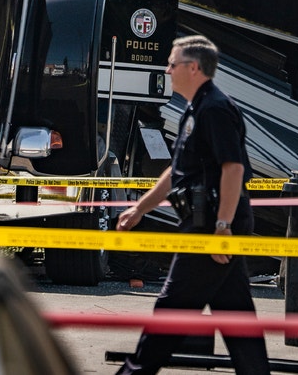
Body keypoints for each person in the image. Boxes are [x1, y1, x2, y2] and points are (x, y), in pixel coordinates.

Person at [114, 35, 270, 375]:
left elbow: (234, 168)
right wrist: (139, 208)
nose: (167, 70)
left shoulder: (214, 109)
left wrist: (223, 227)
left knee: (170, 311)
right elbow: (177, 172)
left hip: (211, 224)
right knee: (237, 318)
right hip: (209, 221)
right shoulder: (195, 108)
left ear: (193, 68)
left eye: (172, 64)